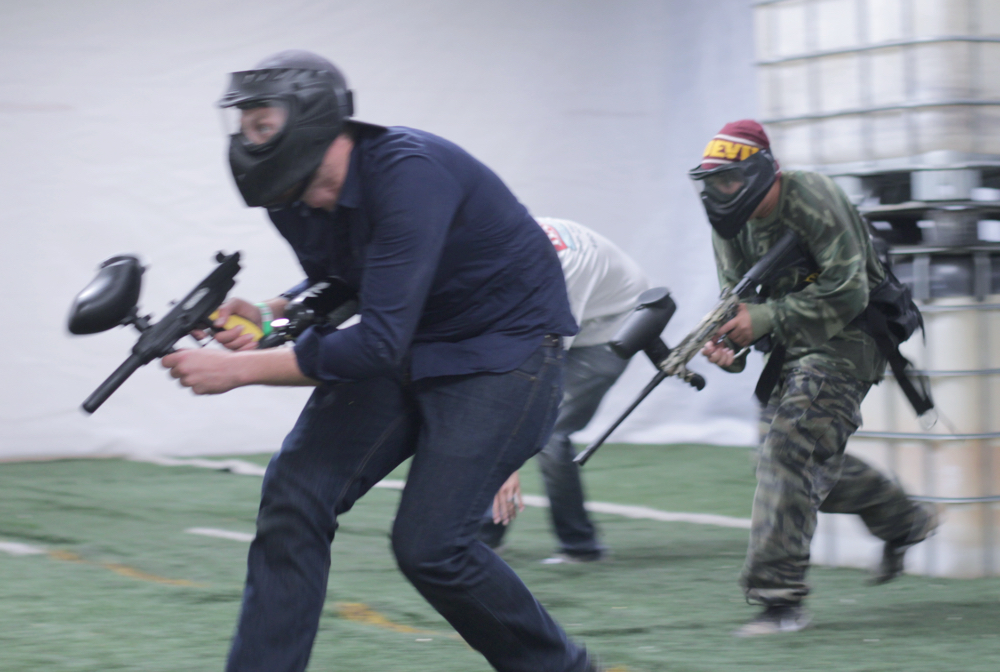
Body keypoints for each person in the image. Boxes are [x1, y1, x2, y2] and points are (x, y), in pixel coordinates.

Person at [161, 50, 600, 672]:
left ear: (312, 119)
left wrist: (240, 371)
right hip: (414, 343)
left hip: (505, 353)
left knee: (432, 547)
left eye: (262, 126)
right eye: (243, 127)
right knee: (295, 495)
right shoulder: (290, 195)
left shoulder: (409, 173)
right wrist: (270, 316)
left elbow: (375, 342)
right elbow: (342, 283)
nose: (247, 141)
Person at [690, 120, 938, 637]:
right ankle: (904, 521)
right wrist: (730, 345)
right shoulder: (728, 226)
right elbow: (742, 302)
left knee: (790, 451)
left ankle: (779, 600)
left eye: (730, 181)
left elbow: (848, 291)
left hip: (854, 334)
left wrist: (759, 321)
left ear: (760, 173)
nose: (721, 193)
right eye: (713, 183)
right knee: (796, 461)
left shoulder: (813, 196)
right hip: (794, 344)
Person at [479, 217, 650, 563]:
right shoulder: (497, 243)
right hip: (590, 311)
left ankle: (581, 546)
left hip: (615, 327)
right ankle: (486, 533)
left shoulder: (561, 276)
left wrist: (505, 462)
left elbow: (540, 372)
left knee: (551, 431)